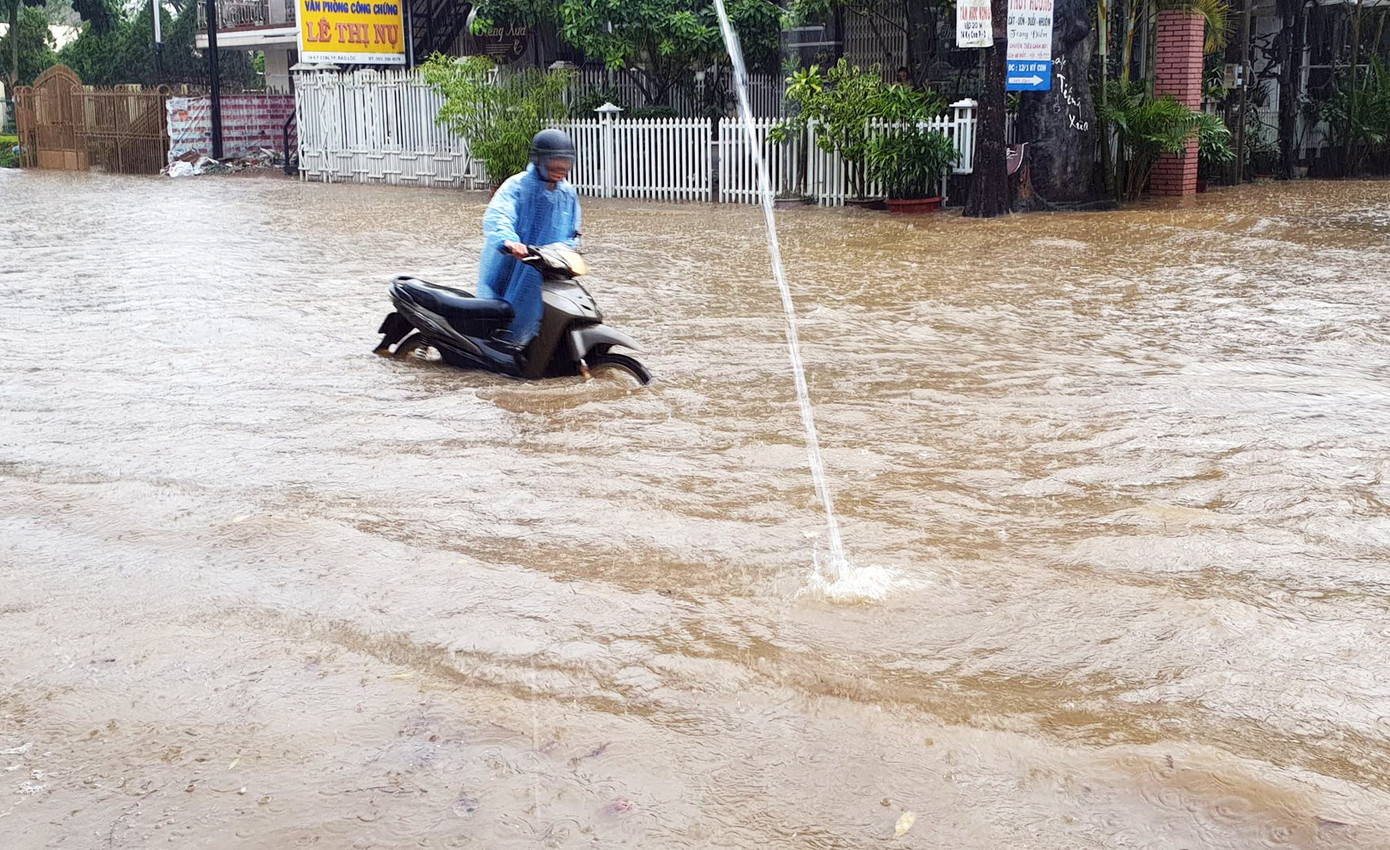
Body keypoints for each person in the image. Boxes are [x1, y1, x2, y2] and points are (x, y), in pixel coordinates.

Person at [476, 129, 582, 347]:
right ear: (539, 160)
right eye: (555, 162)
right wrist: (509, 241)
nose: (561, 169)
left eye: (566, 163)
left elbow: (572, 228)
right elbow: (499, 215)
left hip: (544, 268)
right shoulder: (517, 186)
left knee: (540, 320)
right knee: (502, 320)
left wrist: (571, 249)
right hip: (510, 263)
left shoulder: (567, 192)